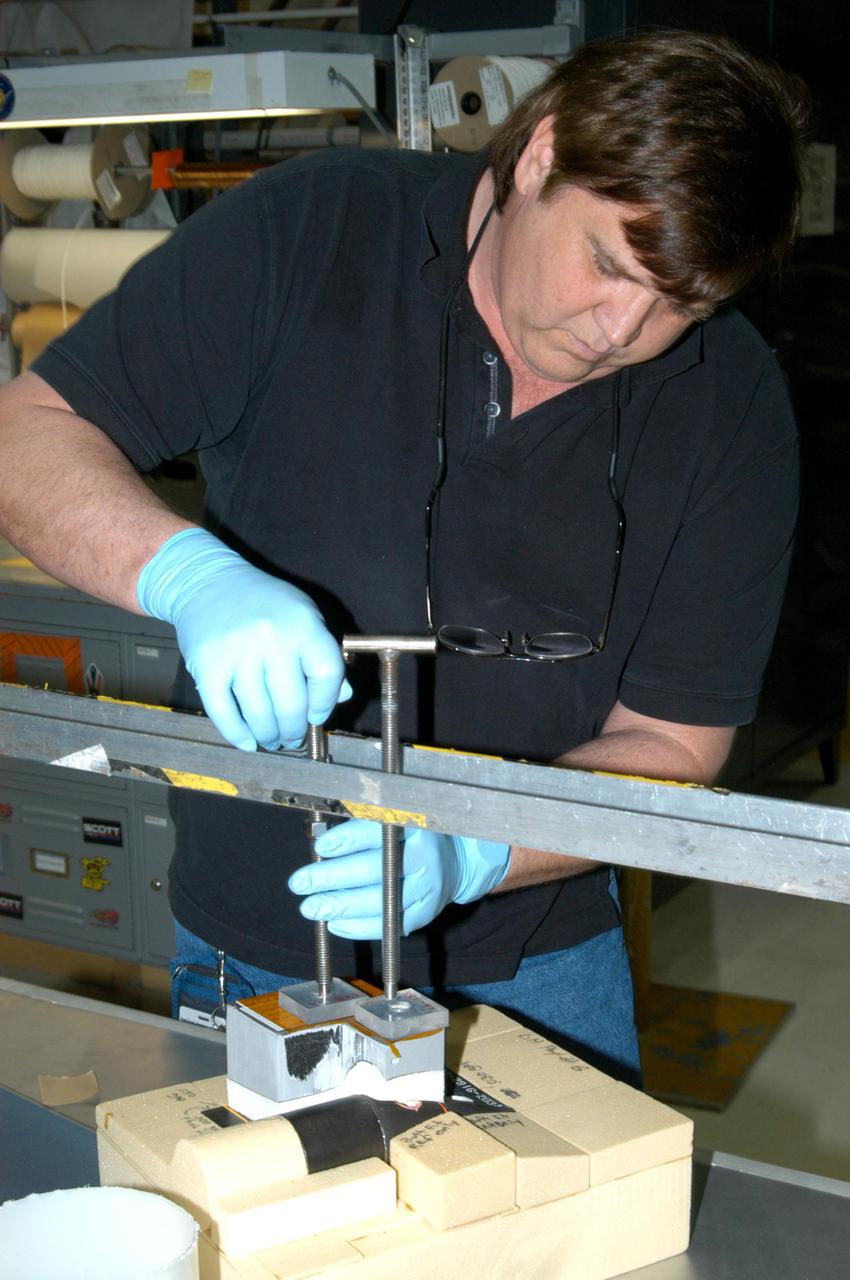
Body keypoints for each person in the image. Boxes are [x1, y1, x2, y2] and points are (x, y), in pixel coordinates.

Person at [0, 30, 811, 1084]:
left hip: (539, 964)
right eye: (609, 262)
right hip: (254, 940)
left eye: (682, 303)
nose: (622, 328)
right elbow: (31, 433)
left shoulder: (728, 406)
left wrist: (475, 849)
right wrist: (186, 573)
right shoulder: (315, 231)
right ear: (539, 155)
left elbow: (675, 745)